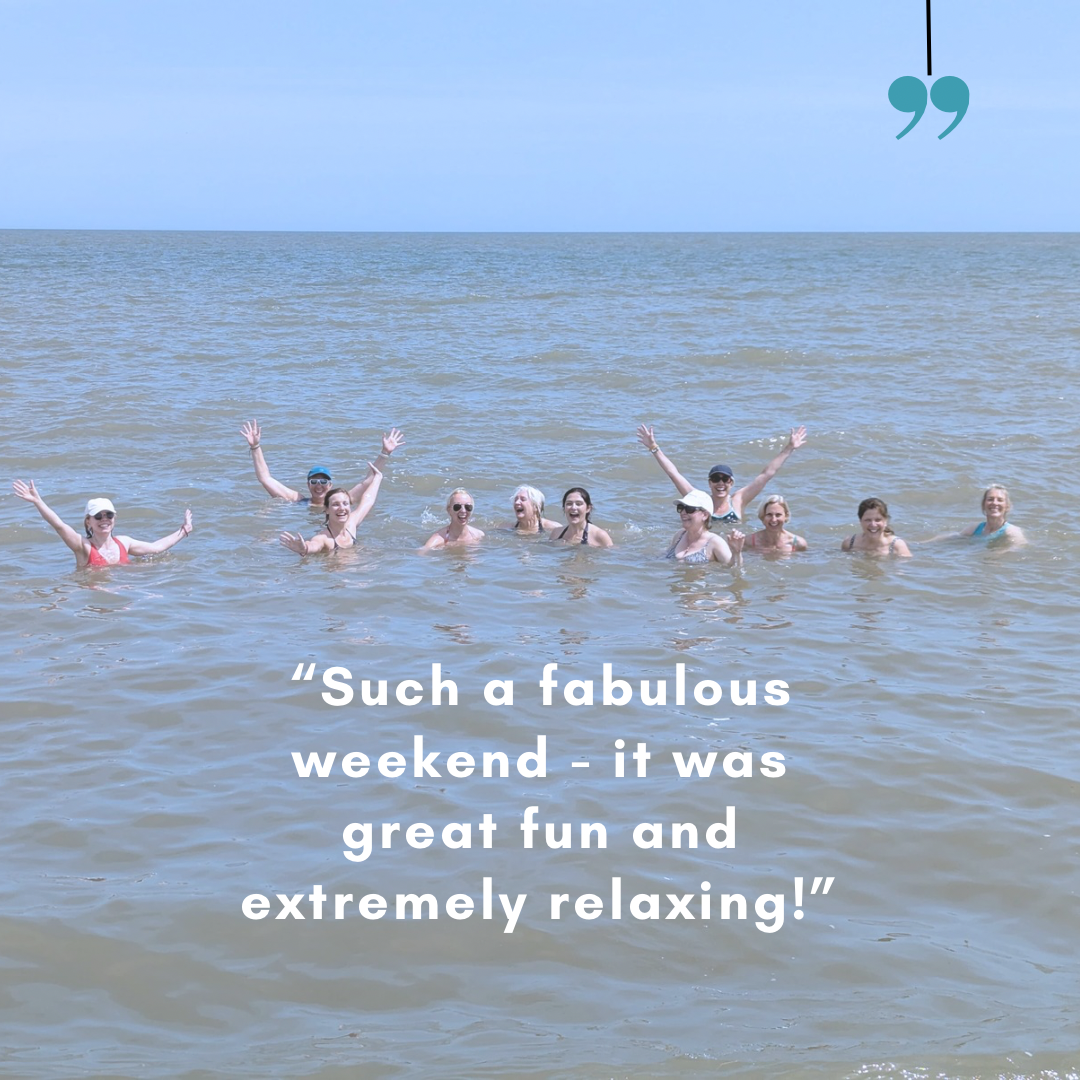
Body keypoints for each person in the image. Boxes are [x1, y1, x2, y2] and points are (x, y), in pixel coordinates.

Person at [636, 423, 807, 524]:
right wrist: (654, 448)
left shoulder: (739, 500)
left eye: (725, 479)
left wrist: (789, 448)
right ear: (709, 483)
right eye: (715, 479)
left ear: (731, 483)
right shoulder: (700, 500)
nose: (720, 483)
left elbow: (766, 474)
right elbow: (674, 474)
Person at [12, 480, 193, 568]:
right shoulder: (83, 547)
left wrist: (184, 530)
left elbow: (156, 548)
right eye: (98, 516)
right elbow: (59, 525)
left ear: (114, 518)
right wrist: (38, 502)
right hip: (92, 602)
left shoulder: (124, 542)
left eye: (109, 515)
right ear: (88, 521)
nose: (104, 519)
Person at [240, 420, 403, 507]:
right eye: (314, 481)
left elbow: (368, 481)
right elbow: (265, 478)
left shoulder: (339, 503)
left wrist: (385, 453)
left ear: (330, 485)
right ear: (308, 484)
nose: (319, 485)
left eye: (323, 481)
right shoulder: (298, 500)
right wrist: (255, 447)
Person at [279, 464, 382, 556]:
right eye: (335, 504)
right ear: (327, 509)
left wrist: (378, 478)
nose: (342, 508)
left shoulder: (351, 524)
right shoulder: (324, 538)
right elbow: (314, 545)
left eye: (345, 503)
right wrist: (304, 548)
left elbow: (368, 500)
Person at [925, 486, 1027, 547]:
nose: (994, 503)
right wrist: (924, 544)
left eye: (1000, 500)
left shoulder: (1012, 531)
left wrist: (996, 555)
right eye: (990, 499)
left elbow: (1017, 548)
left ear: (1007, 506)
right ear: (983, 505)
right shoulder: (975, 528)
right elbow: (953, 537)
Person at [663, 489, 744, 565]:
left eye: (689, 509)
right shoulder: (680, 534)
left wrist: (737, 553)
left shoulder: (715, 542)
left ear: (705, 515)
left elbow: (733, 568)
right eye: (681, 508)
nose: (683, 512)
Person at [841, 497, 912, 557]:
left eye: (878, 520)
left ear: (885, 521)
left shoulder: (897, 546)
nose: (873, 524)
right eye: (868, 520)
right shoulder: (850, 544)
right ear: (860, 521)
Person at [421, 489, 485, 550]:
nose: (463, 511)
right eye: (457, 507)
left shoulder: (478, 535)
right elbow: (421, 552)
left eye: (468, 507)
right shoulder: (439, 539)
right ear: (449, 510)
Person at [550, 487, 614, 547]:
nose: (573, 507)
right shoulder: (556, 533)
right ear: (564, 508)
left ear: (588, 508)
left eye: (578, 504)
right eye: (569, 503)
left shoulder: (599, 535)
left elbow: (612, 553)